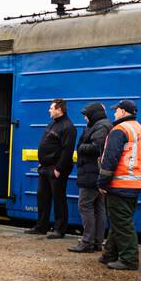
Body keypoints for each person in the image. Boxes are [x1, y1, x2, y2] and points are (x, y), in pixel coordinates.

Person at [97, 99, 141, 271]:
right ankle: (109, 254)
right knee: (119, 221)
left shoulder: (119, 130)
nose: (114, 113)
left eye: (117, 110)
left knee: (122, 224)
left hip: (119, 184)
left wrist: (102, 182)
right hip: (134, 183)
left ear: (124, 112)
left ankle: (129, 259)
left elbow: (110, 159)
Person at [25, 98, 76, 238]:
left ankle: (60, 229)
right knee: (42, 197)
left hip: (56, 169)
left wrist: (58, 169)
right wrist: (42, 162)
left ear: (59, 109)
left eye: (51, 108)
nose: (49, 110)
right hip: (45, 168)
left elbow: (67, 151)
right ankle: (41, 226)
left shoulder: (68, 127)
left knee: (59, 199)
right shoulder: (53, 124)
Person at [68, 102, 111, 253]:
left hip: (92, 173)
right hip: (95, 173)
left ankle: (87, 242)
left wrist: (80, 147)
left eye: (86, 115)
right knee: (98, 208)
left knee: (85, 206)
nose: (85, 118)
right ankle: (97, 242)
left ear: (93, 114)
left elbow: (97, 147)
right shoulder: (102, 125)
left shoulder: (101, 127)